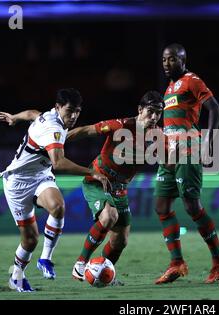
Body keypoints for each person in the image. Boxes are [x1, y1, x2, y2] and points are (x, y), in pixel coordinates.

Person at [0, 88, 109, 292]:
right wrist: (92, 173)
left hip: (40, 176)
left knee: (58, 207)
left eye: (77, 111)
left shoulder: (50, 116)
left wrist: (15, 118)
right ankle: (16, 277)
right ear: (58, 108)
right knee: (30, 240)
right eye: (69, 111)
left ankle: (45, 259)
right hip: (17, 184)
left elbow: (32, 114)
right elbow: (58, 163)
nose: (73, 116)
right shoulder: (53, 128)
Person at [67, 91, 163, 283]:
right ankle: (80, 264)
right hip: (98, 179)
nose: (153, 117)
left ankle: (103, 273)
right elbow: (86, 131)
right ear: (140, 110)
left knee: (120, 241)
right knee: (109, 216)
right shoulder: (121, 126)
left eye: (158, 113)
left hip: (119, 189)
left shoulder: (157, 136)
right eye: (150, 111)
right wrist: (56, 142)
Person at [154, 43, 219, 284]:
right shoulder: (168, 88)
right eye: (165, 60)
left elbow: (215, 109)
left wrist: (209, 141)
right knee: (162, 205)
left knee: (192, 207)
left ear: (183, 60)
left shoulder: (192, 80)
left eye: (172, 59)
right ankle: (176, 263)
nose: (167, 64)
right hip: (169, 153)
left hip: (188, 148)